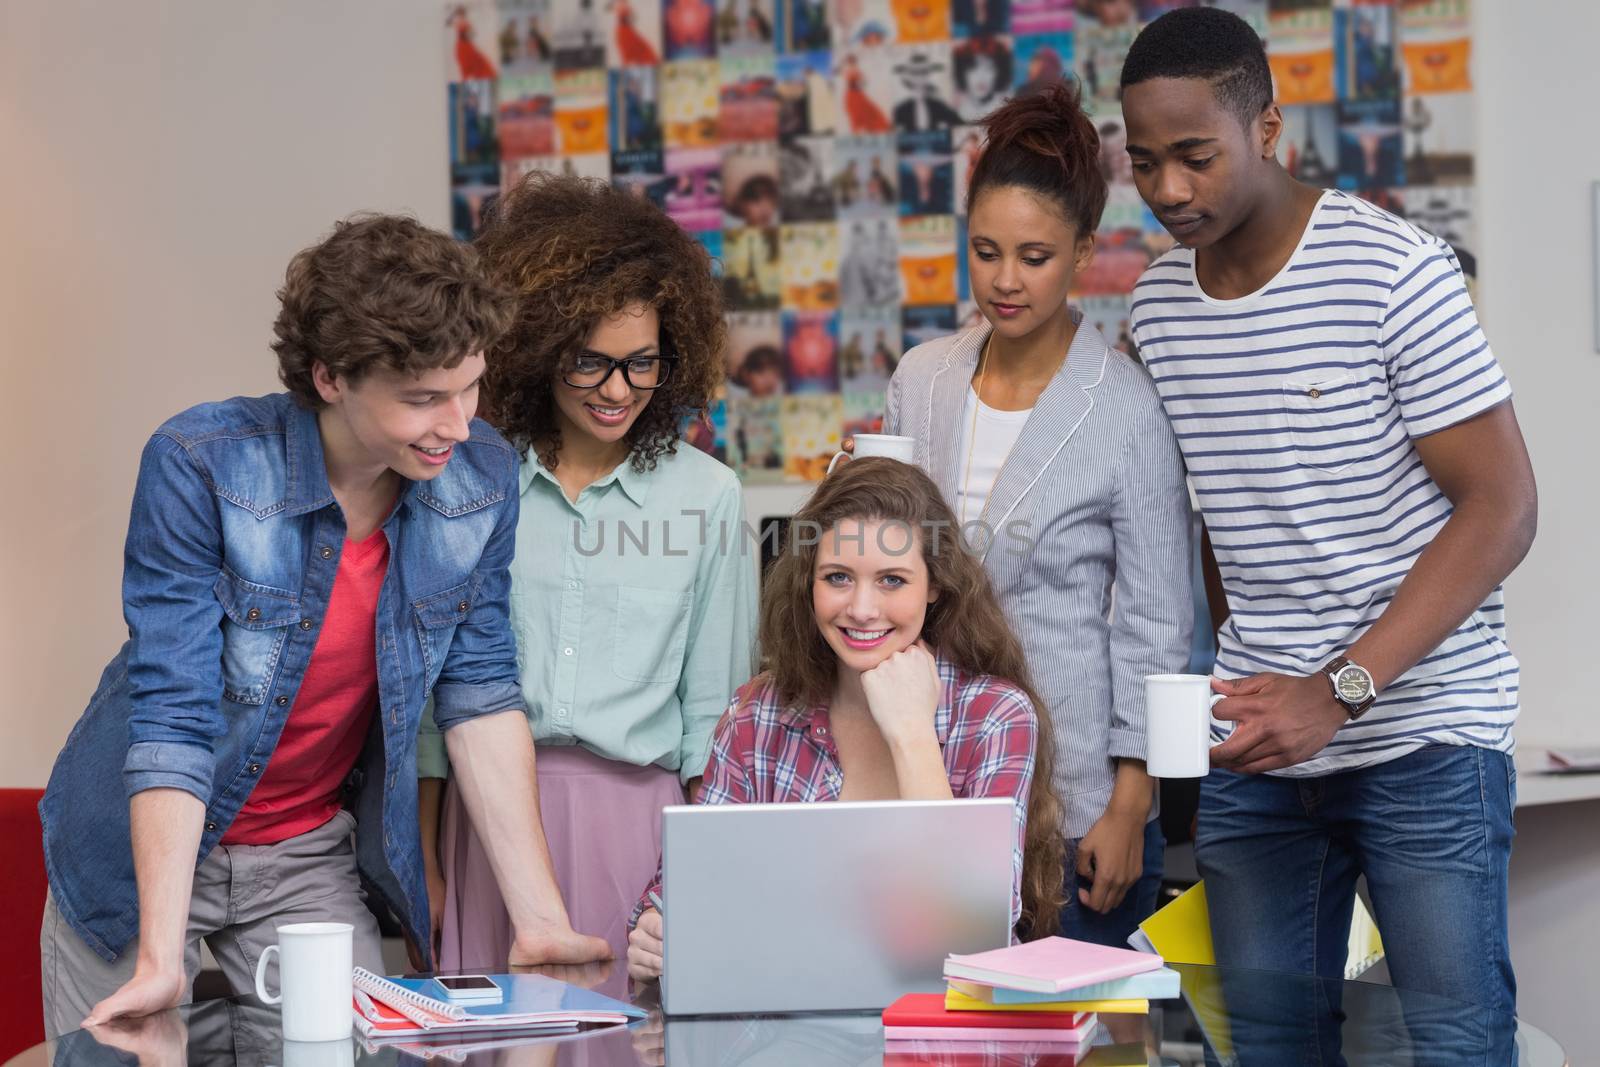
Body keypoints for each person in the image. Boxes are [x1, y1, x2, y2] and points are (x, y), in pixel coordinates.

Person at [38, 215, 609, 1038]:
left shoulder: (481, 477)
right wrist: (161, 956)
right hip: (144, 858)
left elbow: (480, 694)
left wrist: (541, 917)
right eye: (422, 399)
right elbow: (175, 710)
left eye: (470, 386)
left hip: (304, 853)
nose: (458, 423)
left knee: (360, 1053)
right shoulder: (202, 463)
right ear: (331, 375)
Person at [1119, 5, 1535, 1027]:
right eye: (1142, 163)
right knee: (1259, 1047)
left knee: (1454, 1043)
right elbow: (1211, 522)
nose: (1168, 190)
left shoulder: (1393, 268)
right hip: (1260, 751)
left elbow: (1504, 507)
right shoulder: (1155, 309)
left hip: (1426, 735)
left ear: (1266, 127)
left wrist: (1337, 687)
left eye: (1193, 156)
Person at [419, 173, 759, 969]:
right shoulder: (467, 482)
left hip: (641, 832)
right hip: (488, 822)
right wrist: (429, 859)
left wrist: (707, 884)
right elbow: (435, 713)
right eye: (590, 363)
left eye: (642, 364)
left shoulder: (708, 497)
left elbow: (716, 724)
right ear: (536, 349)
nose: (618, 391)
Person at [882, 81, 1194, 946]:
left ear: (1085, 251)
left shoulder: (1127, 407)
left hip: (1078, 805)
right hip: (930, 785)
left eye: (1034, 256)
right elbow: (886, 564)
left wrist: (1134, 804)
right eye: (985, 252)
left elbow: (1158, 625)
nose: (1005, 281)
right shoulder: (921, 380)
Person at [625, 458, 1068, 981]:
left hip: (941, 1031)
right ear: (808, 583)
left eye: (891, 580)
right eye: (838, 577)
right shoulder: (758, 714)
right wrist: (656, 930)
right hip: (784, 1028)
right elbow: (687, 889)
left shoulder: (996, 716)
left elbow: (969, 931)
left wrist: (911, 735)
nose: (861, 608)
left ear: (934, 585)